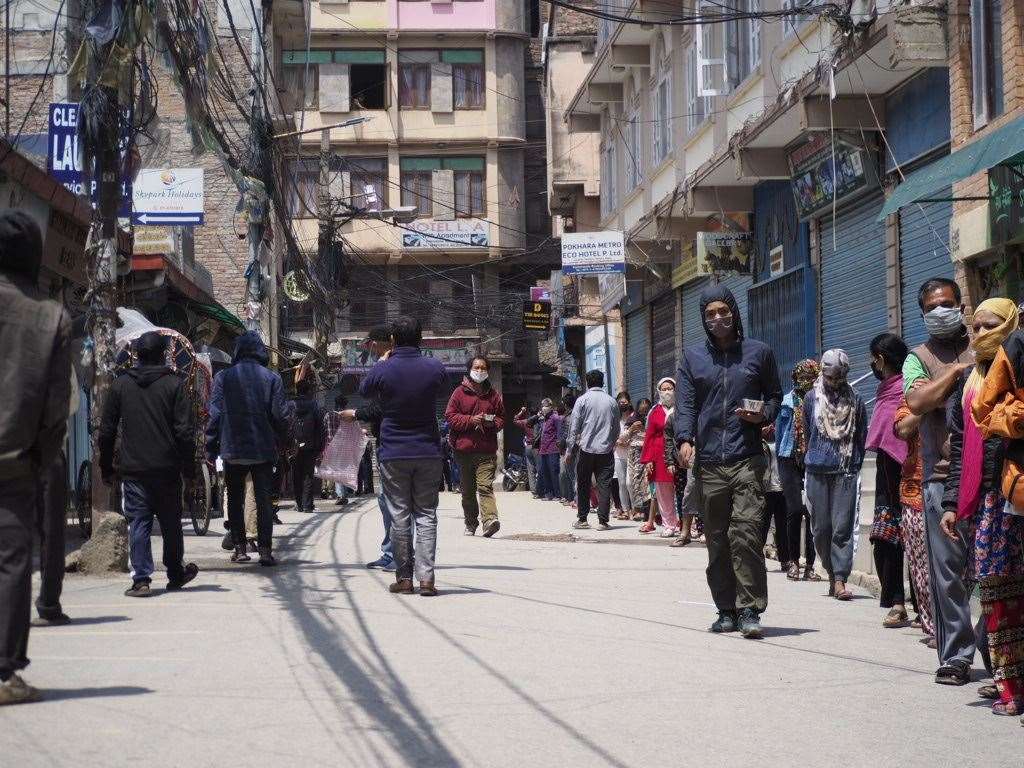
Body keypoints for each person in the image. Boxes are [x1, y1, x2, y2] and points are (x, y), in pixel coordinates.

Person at [675, 284, 782, 640]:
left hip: (746, 457)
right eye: (710, 314)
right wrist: (685, 439)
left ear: (735, 312)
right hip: (708, 461)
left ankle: (750, 608)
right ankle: (726, 609)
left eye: (724, 311)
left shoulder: (759, 353)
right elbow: (687, 403)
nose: (718, 319)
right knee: (718, 538)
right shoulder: (692, 358)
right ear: (703, 319)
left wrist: (763, 415)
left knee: (747, 533)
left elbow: (775, 396)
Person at [0, 210, 71, 705]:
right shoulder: (51, 318)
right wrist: (39, 461)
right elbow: (55, 408)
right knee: (11, 562)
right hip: (16, 462)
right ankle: (5, 674)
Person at [951, 298, 1024, 715]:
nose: (979, 334)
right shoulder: (971, 381)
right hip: (991, 502)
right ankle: (1009, 684)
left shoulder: (1017, 363)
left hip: (1016, 490)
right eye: (974, 327)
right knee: (996, 593)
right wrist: (951, 502)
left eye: (989, 326)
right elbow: (961, 445)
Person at [904, 277, 977, 686]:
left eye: (947, 303)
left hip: (988, 478)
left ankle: (997, 649)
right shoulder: (918, 357)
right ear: (922, 314)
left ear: (960, 304)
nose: (941, 311)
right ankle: (956, 657)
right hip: (940, 478)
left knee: (994, 572)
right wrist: (957, 372)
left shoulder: (987, 343)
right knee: (948, 576)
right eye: (932, 307)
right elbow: (917, 401)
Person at [100, 331, 201, 597]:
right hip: (167, 470)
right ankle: (175, 573)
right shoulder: (175, 385)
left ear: (136, 355)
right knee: (170, 523)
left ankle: (141, 580)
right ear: (164, 354)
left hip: (134, 470)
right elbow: (184, 433)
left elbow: (107, 430)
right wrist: (189, 471)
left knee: (139, 523)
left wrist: (105, 467)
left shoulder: (121, 385)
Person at [354, 316, 446, 596]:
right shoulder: (434, 367)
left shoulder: (385, 368)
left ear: (392, 340)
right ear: (421, 339)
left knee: (400, 515)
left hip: (393, 452)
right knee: (427, 515)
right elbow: (442, 387)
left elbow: (364, 390)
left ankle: (404, 579)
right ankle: (427, 580)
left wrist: (381, 362)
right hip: (429, 451)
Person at [206, 330, 289, 567]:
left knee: (235, 499)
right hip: (263, 449)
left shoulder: (223, 377)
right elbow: (280, 416)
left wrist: (210, 449)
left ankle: (240, 549)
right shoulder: (273, 379)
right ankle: (264, 551)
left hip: (233, 449)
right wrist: (282, 444)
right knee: (263, 501)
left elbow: (215, 415)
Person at [803, 349, 868, 602]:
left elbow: (861, 435)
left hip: (845, 470)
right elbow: (809, 431)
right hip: (817, 469)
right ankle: (831, 573)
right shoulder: (812, 398)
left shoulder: (857, 400)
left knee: (842, 527)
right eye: (831, 378)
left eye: (840, 378)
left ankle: (840, 578)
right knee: (821, 528)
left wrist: (854, 464)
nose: (835, 383)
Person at [866, 333, 912, 627]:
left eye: (873, 358)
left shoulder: (908, 389)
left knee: (915, 542)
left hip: (910, 475)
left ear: (881, 360)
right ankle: (896, 602)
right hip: (886, 476)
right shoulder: (885, 391)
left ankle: (922, 606)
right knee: (885, 540)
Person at [348, 326, 395, 571]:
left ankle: (396, 554)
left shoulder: (389, 367)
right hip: (395, 442)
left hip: (393, 444)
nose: (372, 349)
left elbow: (373, 401)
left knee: (390, 501)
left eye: (373, 344)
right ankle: (394, 552)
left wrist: (354, 414)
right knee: (389, 500)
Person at [445, 355, 505, 537]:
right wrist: (471, 420)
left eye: (483, 368)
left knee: (485, 486)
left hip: (486, 450)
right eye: (476, 367)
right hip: (463, 451)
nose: (480, 371)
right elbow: (450, 416)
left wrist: (491, 423)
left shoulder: (494, 395)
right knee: (468, 491)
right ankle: (471, 523)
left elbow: (501, 418)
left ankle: (489, 520)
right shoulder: (459, 393)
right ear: (470, 369)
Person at [775, 359, 821, 581]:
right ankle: (793, 561)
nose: (806, 382)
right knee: (794, 510)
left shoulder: (820, 401)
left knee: (812, 512)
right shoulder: (785, 402)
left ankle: (810, 565)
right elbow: (779, 434)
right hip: (788, 458)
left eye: (811, 377)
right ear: (794, 379)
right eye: (801, 377)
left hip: (813, 459)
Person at [894, 397, 933, 639]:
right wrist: (930, 402)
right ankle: (935, 628)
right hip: (915, 490)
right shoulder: (913, 391)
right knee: (921, 566)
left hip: (957, 485)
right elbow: (903, 429)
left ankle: (949, 627)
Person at [568, 370, 620, 531]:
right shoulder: (611, 401)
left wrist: (569, 450)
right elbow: (616, 427)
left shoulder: (582, 400)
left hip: (586, 450)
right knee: (604, 485)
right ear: (602, 382)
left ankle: (582, 519)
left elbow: (574, 427)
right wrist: (611, 443)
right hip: (605, 450)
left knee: (584, 484)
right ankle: (603, 522)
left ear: (587, 382)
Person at [640, 378, 682, 538]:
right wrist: (648, 459)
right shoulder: (654, 411)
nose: (667, 391)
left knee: (682, 491)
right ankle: (669, 524)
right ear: (659, 391)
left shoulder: (681, 408)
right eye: (664, 389)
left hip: (679, 454)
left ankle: (684, 523)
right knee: (663, 493)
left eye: (670, 388)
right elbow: (649, 436)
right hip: (659, 456)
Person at [291, 379, 324, 513]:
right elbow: (320, 426)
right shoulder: (314, 405)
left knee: (296, 474)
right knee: (308, 475)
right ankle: (307, 505)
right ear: (309, 390)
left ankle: (299, 503)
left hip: (294, 445)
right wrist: (320, 446)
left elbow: (285, 422)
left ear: (297, 390)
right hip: (311, 446)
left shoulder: (290, 404)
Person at [322, 394, 354, 507]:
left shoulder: (328, 415)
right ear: (345, 405)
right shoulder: (348, 416)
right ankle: (342, 494)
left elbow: (324, 431)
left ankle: (341, 494)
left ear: (335, 403)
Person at [626, 399, 652, 521]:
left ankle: (648, 512)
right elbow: (622, 438)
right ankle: (639, 509)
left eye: (646, 410)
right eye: (641, 410)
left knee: (647, 482)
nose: (644, 413)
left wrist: (646, 428)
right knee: (634, 481)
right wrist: (631, 428)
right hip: (634, 454)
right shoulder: (631, 420)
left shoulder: (651, 419)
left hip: (648, 451)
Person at [536, 399, 563, 501]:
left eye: (546, 405)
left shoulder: (555, 418)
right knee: (544, 472)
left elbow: (559, 433)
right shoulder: (543, 419)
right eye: (543, 405)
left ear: (551, 406)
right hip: (543, 449)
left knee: (554, 472)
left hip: (553, 449)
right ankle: (548, 494)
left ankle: (557, 494)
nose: (544, 407)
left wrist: (559, 446)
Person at [613, 397, 634, 520]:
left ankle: (635, 508)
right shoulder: (615, 420)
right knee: (621, 483)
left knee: (629, 483)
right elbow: (611, 435)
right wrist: (617, 442)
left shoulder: (633, 418)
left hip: (632, 454)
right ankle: (626, 510)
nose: (622, 404)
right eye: (620, 402)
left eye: (625, 402)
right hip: (618, 455)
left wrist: (628, 442)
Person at [515, 403, 541, 497]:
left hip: (528, 447)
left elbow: (515, 420)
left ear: (529, 413)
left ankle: (534, 491)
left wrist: (521, 412)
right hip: (537, 448)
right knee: (539, 469)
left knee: (531, 470)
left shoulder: (526, 421)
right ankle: (540, 490)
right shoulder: (540, 421)